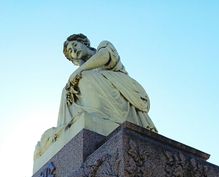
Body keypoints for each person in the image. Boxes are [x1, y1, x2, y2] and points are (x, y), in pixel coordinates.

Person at [34, 34, 157, 162]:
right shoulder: (83, 71)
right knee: (66, 90)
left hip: (120, 85)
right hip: (94, 80)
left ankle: (97, 114)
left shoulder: (103, 47)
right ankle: (67, 127)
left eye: (75, 45)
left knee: (84, 77)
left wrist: (78, 71)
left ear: (84, 43)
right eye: (70, 51)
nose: (74, 51)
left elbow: (104, 57)